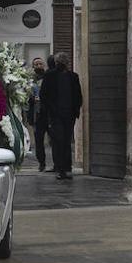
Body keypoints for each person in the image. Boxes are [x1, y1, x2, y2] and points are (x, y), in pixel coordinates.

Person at [41, 51, 82, 180]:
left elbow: (78, 95)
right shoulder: (49, 76)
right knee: (59, 141)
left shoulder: (73, 76)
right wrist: (51, 111)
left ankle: (67, 167)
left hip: (69, 114)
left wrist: (76, 110)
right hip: (56, 114)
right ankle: (60, 169)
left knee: (66, 141)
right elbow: (44, 95)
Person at [28, 57, 52, 172]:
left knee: (54, 139)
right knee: (38, 141)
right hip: (36, 114)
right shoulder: (29, 81)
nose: (38, 66)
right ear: (33, 67)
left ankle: (57, 163)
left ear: (44, 66)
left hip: (49, 114)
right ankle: (41, 163)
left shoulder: (48, 77)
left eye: (40, 64)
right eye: (36, 64)